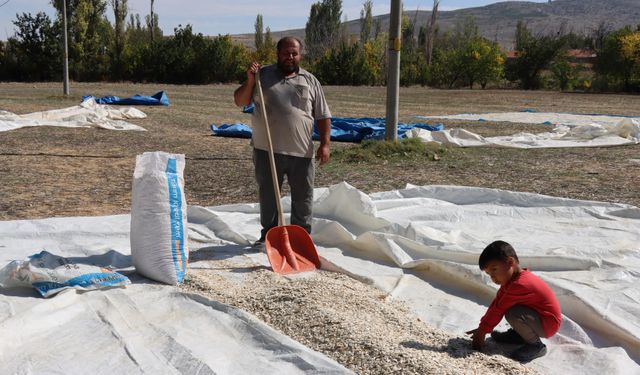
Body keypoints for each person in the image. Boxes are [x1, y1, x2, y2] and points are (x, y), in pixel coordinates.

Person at [233, 36, 332, 245]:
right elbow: (240, 100)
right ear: (278, 54)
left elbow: (323, 115)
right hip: (267, 149)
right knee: (268, 198)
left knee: (303, 199)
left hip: (302, 151)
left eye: (294, 53)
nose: (290, 57)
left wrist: (325, 144)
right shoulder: (262, 76)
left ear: (300, 55)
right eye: (286, 53)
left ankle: (300, 240)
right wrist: (251, 80)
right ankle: (269, 238)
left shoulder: (310, 80)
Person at [466, 240, 562, 363]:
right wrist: (482, 328)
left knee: (512, 313)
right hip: (537, 318)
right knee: (512, 309)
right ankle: (519, 335)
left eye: (494, 270)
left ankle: (536, 346)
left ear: (510, 262)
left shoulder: (520, 285)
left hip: (547, 324)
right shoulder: (512, 281)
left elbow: (500, 309)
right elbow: (497, 303)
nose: (492, 277)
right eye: (489, 274)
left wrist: (483, 331)